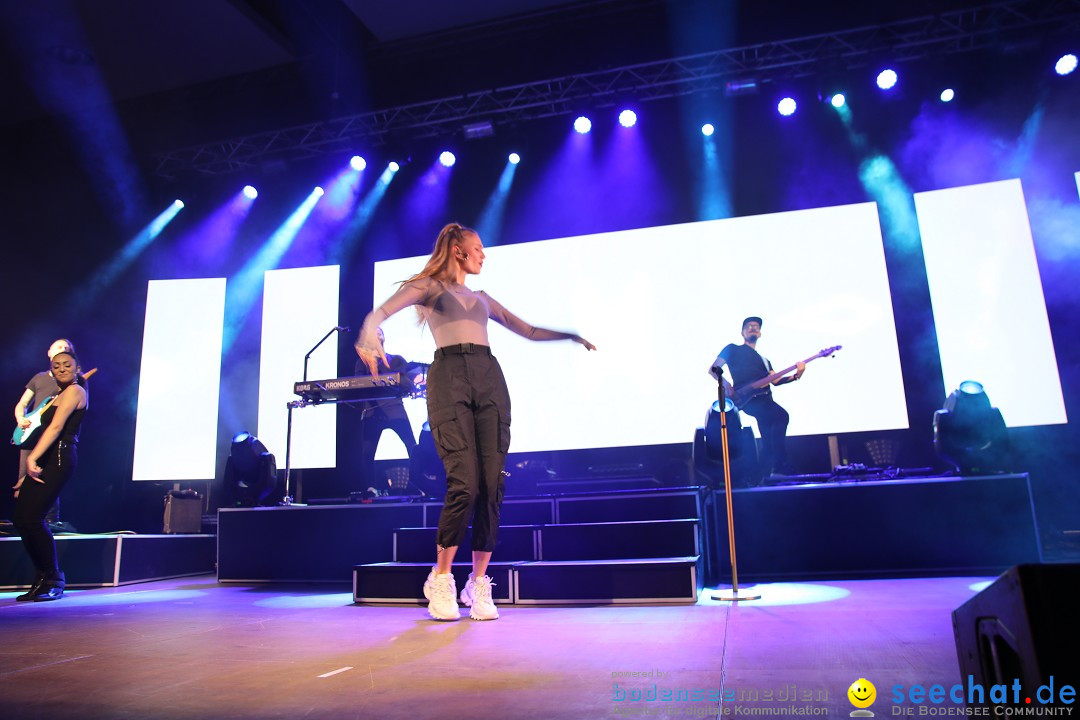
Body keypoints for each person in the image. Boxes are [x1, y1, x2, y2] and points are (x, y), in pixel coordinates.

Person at [355, 223, 595, 621]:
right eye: (478, 247)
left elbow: (529, 331)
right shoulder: (430, 287)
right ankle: (442, 578)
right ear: (457, 250)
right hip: (449, 376)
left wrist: (571, 335)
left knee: (491, 484)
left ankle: (478, 584)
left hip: (488, 378)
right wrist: (368, 331)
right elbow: (382, 311)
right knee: (463, 483)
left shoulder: (482, 297)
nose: (484, 255)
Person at [12, 349, 88, 601]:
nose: (62, 369)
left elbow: (56, 428)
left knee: (33, 517)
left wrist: (32, 459)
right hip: (45, 457)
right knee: (22, 518)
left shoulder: (76, 391)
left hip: (59, 457)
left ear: (77, 368)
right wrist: (28, 468)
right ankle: (41, 577)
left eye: (67, 365)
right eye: (57, 366)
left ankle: (54, 578)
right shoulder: (57, 395)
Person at [709, 317, 804, 479]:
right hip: (748, 398)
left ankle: (762, 476)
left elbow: (775, 381)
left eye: (756, 327)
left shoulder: (765, 361)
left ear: (760, 334)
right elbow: (713, 369)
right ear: (742, 332)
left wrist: (796, 375)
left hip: (765, 398)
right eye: (749, 326)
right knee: (781, 415)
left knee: (768, 438)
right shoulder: (732, 349)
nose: (753, 328)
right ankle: (780, 465)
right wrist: (728, 386)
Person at [13, 339, 75, 524]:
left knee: (45, 478)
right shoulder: (39, 378)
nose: (62, 350)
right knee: (22, 481)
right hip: (31, 434)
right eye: (58, 347)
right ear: (49, 353)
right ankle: (24, 521)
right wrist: (20, 418)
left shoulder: (71, 384)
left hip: (51, 437)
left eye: (66, 349)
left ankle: (50, 521)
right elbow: (23, 403)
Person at [353, 327, 419, 494]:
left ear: (383, 337)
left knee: (411, 446)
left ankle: (420, 483)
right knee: (366, 452)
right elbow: (358, 385)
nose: (376, 334)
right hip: (372, 411)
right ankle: (371, 487)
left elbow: (407, 382)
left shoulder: (396, 360)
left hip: (394, 408)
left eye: (379, 332)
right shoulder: (362, 363)